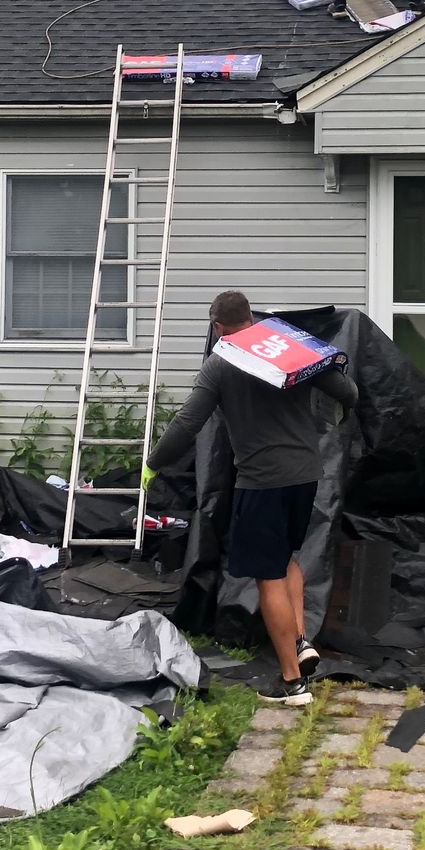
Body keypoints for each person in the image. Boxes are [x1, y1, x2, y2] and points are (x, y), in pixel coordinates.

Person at [141, 291, 359, 705]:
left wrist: (153, 464)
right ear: (253, 319)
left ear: (218, 327)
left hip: (263, 482)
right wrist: (345, 412)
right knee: (287, 558)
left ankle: (292, 684)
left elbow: (188, 423)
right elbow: (345, 390)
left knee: (268, 576)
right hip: (306, 475)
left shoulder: (221, 364)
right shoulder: (289, 348)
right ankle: (299, 643)